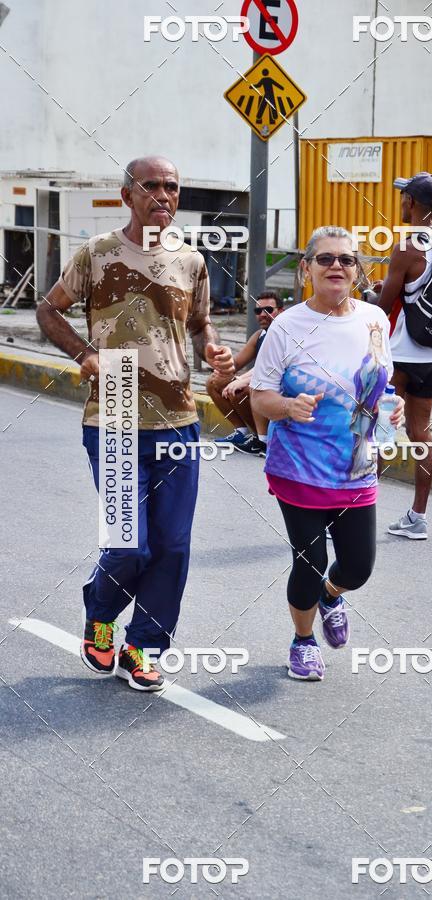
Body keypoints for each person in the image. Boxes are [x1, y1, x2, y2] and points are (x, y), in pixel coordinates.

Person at [36, 156, 235, 691]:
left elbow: (200, 325)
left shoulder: (191, 260)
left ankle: (144, 647)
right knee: (128, 546)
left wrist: (212, 349)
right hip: (115, 412)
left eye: (172, 187)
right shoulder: (98, 253)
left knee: (172, 546)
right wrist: (84, 354)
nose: (164, 195)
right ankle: (101, 614)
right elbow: (48, 309)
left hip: (179, 417)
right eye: (152, 186)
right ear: (128, 195)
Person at [251, 226, 402, 681]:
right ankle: (302, 641)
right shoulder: (286, 327)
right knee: (310, 562)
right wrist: (288, 406)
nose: (336, 266)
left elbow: (380, 383)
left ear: (357, 271)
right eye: (325, 259)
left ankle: (331, 596)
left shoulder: (375, 320)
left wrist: (390, 407)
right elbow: (260, 396)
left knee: (358, 567)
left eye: (346, 259)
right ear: (306, 269)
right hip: (300, 468)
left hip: (356, 468)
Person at [376, 172, 432, 541]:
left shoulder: (405, 248)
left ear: (412, 203)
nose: (401, 202)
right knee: (421, 433)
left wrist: (369, 296)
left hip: (398, 355)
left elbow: (383, 307)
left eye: (404, 196)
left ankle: (354, 511)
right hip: (429, 355)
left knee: (380, 428)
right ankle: (418, 517)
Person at [207, 291, 283, 455]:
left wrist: (240, 380)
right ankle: (242, 433)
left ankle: (262, 441)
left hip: (278, 388)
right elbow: (236, 363)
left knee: (242, 390)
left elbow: (270, 366)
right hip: (260, 379)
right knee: (213, 382)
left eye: (268, 310)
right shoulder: (259, 335)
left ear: (281, 311)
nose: (263, 314)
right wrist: (221, 364)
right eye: (258, 311)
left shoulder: (283, 334)